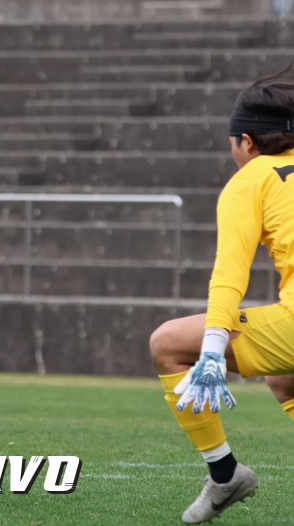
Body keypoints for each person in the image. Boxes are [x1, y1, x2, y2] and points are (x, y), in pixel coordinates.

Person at [150, 66, 294, 524]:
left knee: (168, 343)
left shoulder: (250, 179)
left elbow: (230, 275)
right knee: (284, 378)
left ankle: (224, 473)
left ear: (246, 142)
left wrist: (212, 348)